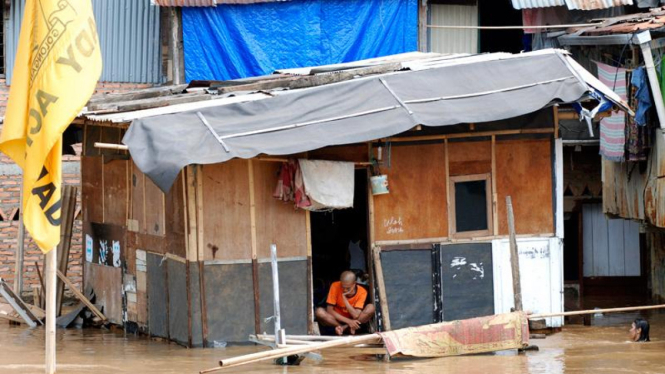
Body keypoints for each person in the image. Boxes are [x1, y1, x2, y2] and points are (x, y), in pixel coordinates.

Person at [315, 271, 375, 335]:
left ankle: (345, 328)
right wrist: (349, 322)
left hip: (354, 319)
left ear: (354, 283)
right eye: (343, 287)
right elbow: (330, 310)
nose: (345, 290)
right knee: (319, 312)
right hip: (337, 319)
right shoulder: (335, 286)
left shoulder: (362, 291)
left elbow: (356, 315)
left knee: (371, 308)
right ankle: (341, 327)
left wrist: (345, 299)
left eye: (348, 288)